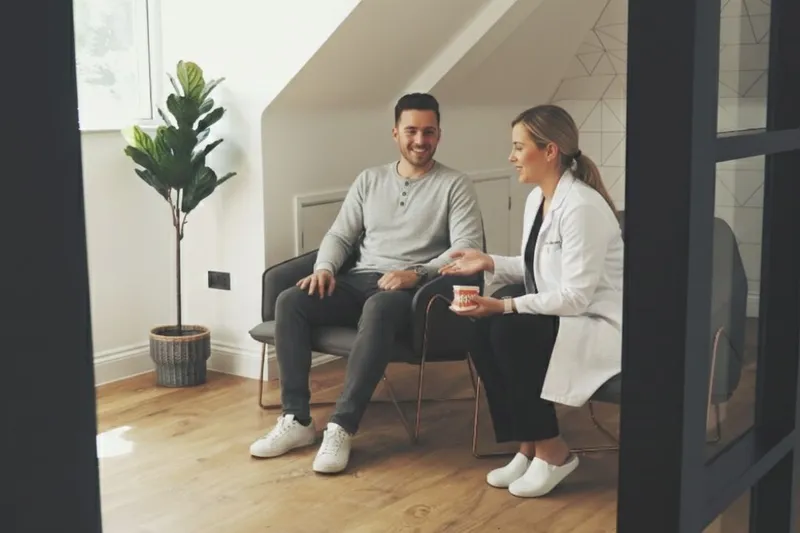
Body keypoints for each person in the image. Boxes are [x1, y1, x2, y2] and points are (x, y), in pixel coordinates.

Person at [249, 93, 484, 474]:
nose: (420, 140)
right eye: (411, 131)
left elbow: (466, 251)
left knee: (379, 305)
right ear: (395, 133)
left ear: (439, 134)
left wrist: (417, 273)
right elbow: (341, 235)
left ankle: (342, 426)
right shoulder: (370, 179)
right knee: (291, 300)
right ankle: (297, 421)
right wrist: (325, 268)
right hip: (357, 280)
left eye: (429, 132)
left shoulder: (455, 185)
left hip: (410, 293)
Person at [440, 104, 623, 498]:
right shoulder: (537, 200)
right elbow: (535, 270)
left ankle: (553, 451)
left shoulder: (583, 207)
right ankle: (526, 443)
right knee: (480, 328)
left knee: (509, 330)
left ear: (550, 151)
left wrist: (504, 306)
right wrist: (487, 261)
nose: (511, 157)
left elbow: (574, 297)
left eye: (518, 147)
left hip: (597, 322)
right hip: (564, 313)